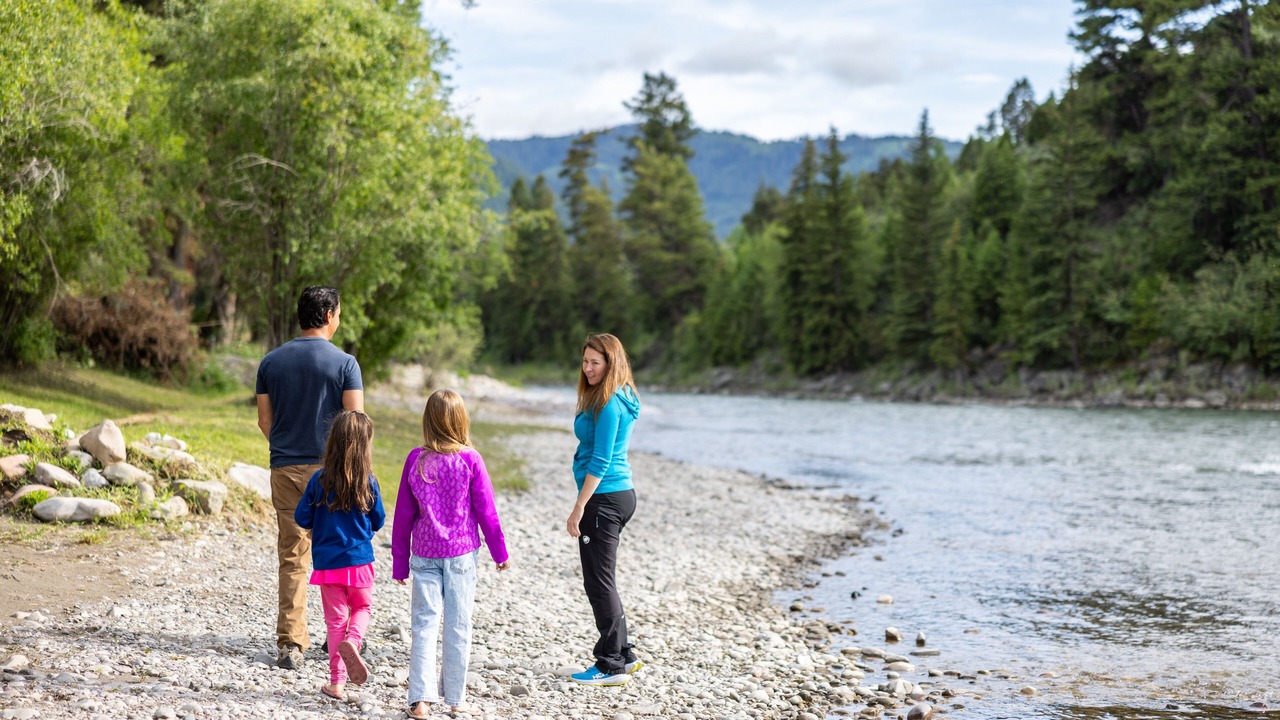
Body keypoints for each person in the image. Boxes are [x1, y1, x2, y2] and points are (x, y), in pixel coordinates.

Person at [256, 286, 364, 670]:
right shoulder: (346, 364)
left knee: (292, 556)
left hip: (285, 469)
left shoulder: (270, 362)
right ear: (329, 314)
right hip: (332, 472)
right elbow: (355, 425)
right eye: (339, 314)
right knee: (339, 553)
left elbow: (264, 421)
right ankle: (344, 634)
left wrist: (287, 451)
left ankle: (291, 643)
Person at [392, 389, 510, 719]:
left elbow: (403, 514)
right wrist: (499, 551)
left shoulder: (416, 459)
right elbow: (487, 510)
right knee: (458, 625)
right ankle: (456, 699)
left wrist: (400, 563)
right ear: (461, 421)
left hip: (424, 552)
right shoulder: (470, 459)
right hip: (461, 554)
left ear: (428, 421)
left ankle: (420, 700)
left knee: (424, 625)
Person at [567, 333, 643, 686]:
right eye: (585, 361)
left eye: (595, 362)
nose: (588, 368)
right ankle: (624, 654)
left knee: (598, 581)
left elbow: (601, 460)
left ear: (611, 363)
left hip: (604, 498)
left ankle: (610, 664)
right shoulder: (621, 396)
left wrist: (579, 507)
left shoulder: (611, 403)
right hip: (617, 494)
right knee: (603, 578)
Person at [294, 410, 386, 702]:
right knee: (362, 608)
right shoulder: (368, 482)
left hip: (328, 565)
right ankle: (354, 641)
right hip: (359, 562)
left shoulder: (319, 480)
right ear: (365, 446)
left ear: (333, 441)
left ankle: (337, 684)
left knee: (335, 622)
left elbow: (301, 518)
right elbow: (379, 519)